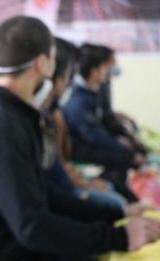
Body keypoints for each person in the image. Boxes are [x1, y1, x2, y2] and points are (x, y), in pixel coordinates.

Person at [0, 16, 160, 261]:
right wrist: (120, 237)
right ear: (42, 64)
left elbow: (44, 193)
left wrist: (116, 216)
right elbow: (31, 227)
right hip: (8, 258)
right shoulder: (2, 125)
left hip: (23, 248)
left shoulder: (15, 113)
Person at [42, 38, 127, 208]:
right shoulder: (70, 105)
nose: (69, 82)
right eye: (69, 75)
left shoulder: (55, 110)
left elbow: (57, 164)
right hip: (62, 182)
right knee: (117, 202)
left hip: (62, 182)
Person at [63, 44, 144, 201]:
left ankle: (119, 189)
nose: (107, 72)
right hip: (80, 148)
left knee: (126, 153)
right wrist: (126, 151)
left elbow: (102, 123)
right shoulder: (78, 101)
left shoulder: (93, 91)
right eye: (104, 68)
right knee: (124, 157)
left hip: (88, 143)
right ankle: (118, 194)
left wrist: (124, 140)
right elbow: (94, 136)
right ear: (94, 71)